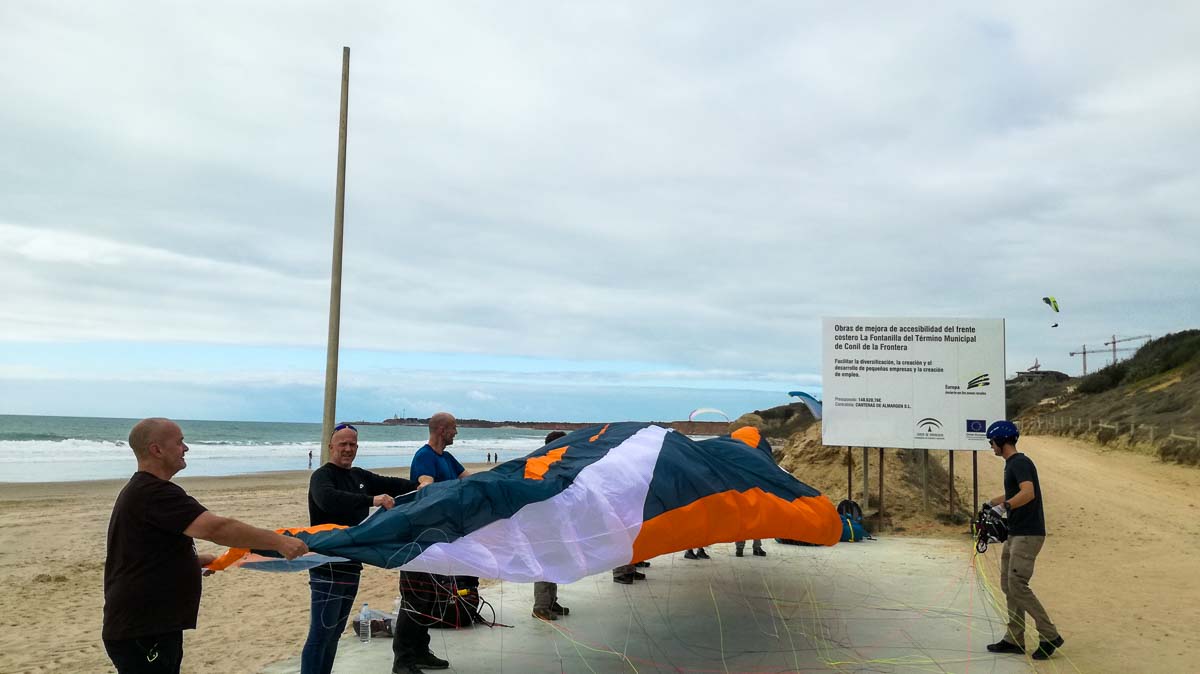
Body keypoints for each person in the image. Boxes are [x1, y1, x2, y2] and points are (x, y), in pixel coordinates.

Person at [103, 418, 308, 674]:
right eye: (179, 442)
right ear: (157, 450)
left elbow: (140, 554)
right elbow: (216, 529)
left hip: (150, 625)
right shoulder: (153, 493)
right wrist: (279, 541)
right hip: (142, 627)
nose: (186, 448)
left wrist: (192, 562)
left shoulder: (146, 491)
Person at [302, 423, 418, 674]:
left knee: (334, 634)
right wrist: (371, 500)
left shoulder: (359, 476)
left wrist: (421, 485)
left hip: (352, 565)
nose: (348, 449)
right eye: (342, 444)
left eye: (352, 444)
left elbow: (393, 484)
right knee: (321, 634)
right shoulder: (322, 476)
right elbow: (328, 500)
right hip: (326, 567)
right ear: (330, 446)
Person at [392, 412, 470, 673]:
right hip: (420, 539)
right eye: (454, 428)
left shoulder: (447, 458)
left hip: (439, 539)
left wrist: (500, 480)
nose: (456, 432)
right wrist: (427, 486)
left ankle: (421, 651)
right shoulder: (424, 456)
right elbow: (425, 483)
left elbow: (469, 478)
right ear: (441, 430)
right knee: (415, 598)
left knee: (432, 597)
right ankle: (403, 661)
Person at [983, 420, 1064, 661]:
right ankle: (1014, 639)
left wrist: (1003, 507)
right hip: (1015, 532)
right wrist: (992, 503)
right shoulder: (1013, 464)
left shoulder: (1020, 462)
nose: (991, 446)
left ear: (1001, 440)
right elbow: (1015, 492)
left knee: (1017, 584)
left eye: (992, 442)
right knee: (1008, 586)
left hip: (1028, 534)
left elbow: (1028, 493)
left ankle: (1049, 635)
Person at [532, 431, 571, 620]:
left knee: (554, 561)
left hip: (554, 519)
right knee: (545, 562)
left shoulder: (556, 464)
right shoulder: (541, 464)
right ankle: (540, 606)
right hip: (542, 521)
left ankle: (550, 601)